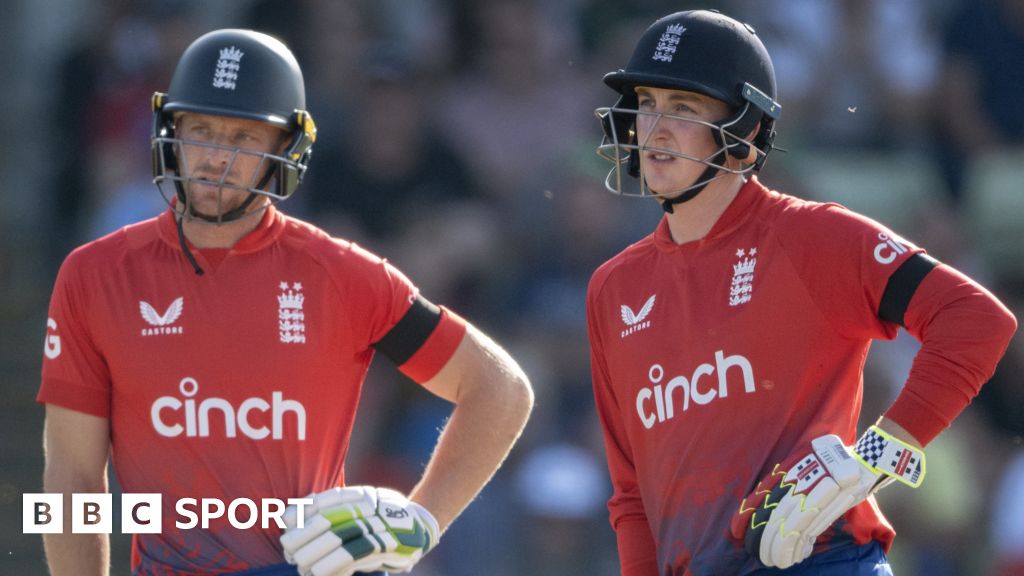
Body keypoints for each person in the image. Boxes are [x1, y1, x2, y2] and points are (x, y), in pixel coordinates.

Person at [38, 29, 533, 576]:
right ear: (169, 131)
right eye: (199, 129)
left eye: (243, 138)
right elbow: (71, 476)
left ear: (285, 149)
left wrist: (423, 519)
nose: (214, 158)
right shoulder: (93, 276)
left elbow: (501, 390)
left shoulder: (342, 275)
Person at [586, 10, 1017, 575]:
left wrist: (873, 459)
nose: (655, 129)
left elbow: (977, 321)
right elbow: (632, 498)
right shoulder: (612, 289)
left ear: (742, 131)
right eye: (646, 104)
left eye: (683, 109)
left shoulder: (812, 237)